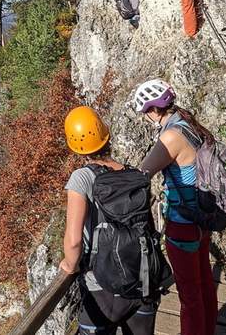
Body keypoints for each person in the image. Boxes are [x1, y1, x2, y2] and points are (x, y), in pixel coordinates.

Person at [59, 105, 160, 335]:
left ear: (76, 147)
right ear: (106, 136)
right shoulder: (133, 174)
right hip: (141, 283)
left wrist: (69, 265)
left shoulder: (82, 177)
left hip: (102, 289)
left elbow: (74, 241)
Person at [133, 79, 218, 335]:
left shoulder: (170, 136)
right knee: (204, 286)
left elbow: (142, 175)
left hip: (182, 224)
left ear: (153, 110)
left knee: (189, 297)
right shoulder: (188, 123)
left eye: (145, 112)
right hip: (202, 218)